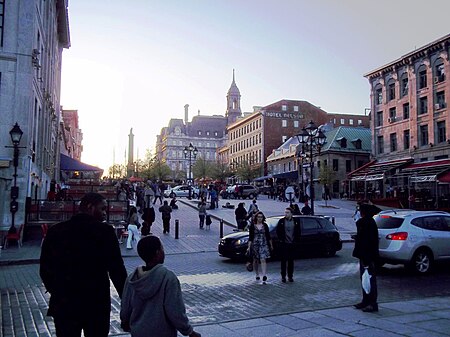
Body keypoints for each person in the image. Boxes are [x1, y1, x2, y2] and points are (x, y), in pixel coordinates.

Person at [40, 193, 127, 337]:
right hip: (96, 303)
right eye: (102, 209)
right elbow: (116, 269)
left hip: (64, 303)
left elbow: (45, 267)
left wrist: (57, 290)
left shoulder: (56, 231)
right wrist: (126, 298)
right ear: (90, 207)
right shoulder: (105, 232)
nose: (105, 213)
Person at [120, 236, 201, 337]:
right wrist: (189, 331)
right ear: (157, 253)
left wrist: (126, 323)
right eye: (162, 248)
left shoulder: (132, 279)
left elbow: (125, 308)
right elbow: (175, 311)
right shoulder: (168, 278)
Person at [352, 203, 380, 312]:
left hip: (367, 256)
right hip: (366, 255)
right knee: (365, 279)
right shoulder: (369, 222)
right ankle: (366, 300)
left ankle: (372, 303)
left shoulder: (366, 223)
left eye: (360, 210)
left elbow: (366, 241)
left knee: (369, 279)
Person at [275, 207, 301, 283]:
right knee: (283, 261)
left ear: (291, 213)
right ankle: (283, 276)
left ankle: (290, 276)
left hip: (292, 243)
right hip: (284, 244)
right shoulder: (282, 221)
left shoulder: (295, 221)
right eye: (285, 212)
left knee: (291, 261)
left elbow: (298, 232)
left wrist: (296, 241)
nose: (286, 214)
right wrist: (281, 239)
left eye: (287, 212)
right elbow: (278, 231)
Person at [247, 212, 273, 284]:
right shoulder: (253, 226)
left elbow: (268, 236)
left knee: (263, 259)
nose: (260, 218)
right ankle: (257, 273)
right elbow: (250, 237)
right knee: (256, 260)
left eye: (261, 217)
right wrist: (249, 247)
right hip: (255, 244)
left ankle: (264, 275)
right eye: (258, 217)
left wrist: (271, 245)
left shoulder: (265, 226)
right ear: (256, 218)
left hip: (263, 244)